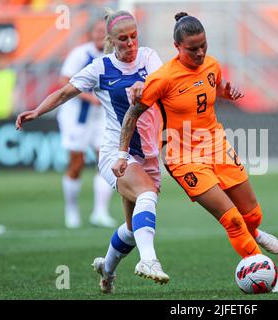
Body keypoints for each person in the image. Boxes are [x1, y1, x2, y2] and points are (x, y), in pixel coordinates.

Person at [113, 12, 278, 293]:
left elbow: (213, 88)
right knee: (231, 219)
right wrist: (122, 154)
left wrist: (226, 93)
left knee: (252, 214)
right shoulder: (163, 78)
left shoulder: (212, 65)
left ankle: (254, 231)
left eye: (203, 45)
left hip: (217, 145)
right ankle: (265, 271)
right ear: (177, 47)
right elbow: (133, 114)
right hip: (183, 157)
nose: (199, 52)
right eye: (192, 49)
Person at [16, 8, 169, 294]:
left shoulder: (149, 57)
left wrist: (146, 87)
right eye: (122, 39)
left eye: (134, 36)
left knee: (133, 228)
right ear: (111, 40)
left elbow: (165, 85)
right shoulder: (100, 68)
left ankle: (106, 270)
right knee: (147, 195)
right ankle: (149, 261)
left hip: (148, 153)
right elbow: (64, 92)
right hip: (116, 154)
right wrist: (37, 110)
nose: (130, 43)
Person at [57, 18, 117, 229]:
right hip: (77, 117)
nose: (100, 34)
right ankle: (71, 210)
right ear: (91, 33)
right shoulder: (80, 53)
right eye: (97, 30)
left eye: (104, 31)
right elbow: (64, 81)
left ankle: (100, 212)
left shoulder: (113, 57)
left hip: (101, 117)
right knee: (77, 162)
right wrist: (89, 97)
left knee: (106, 160)